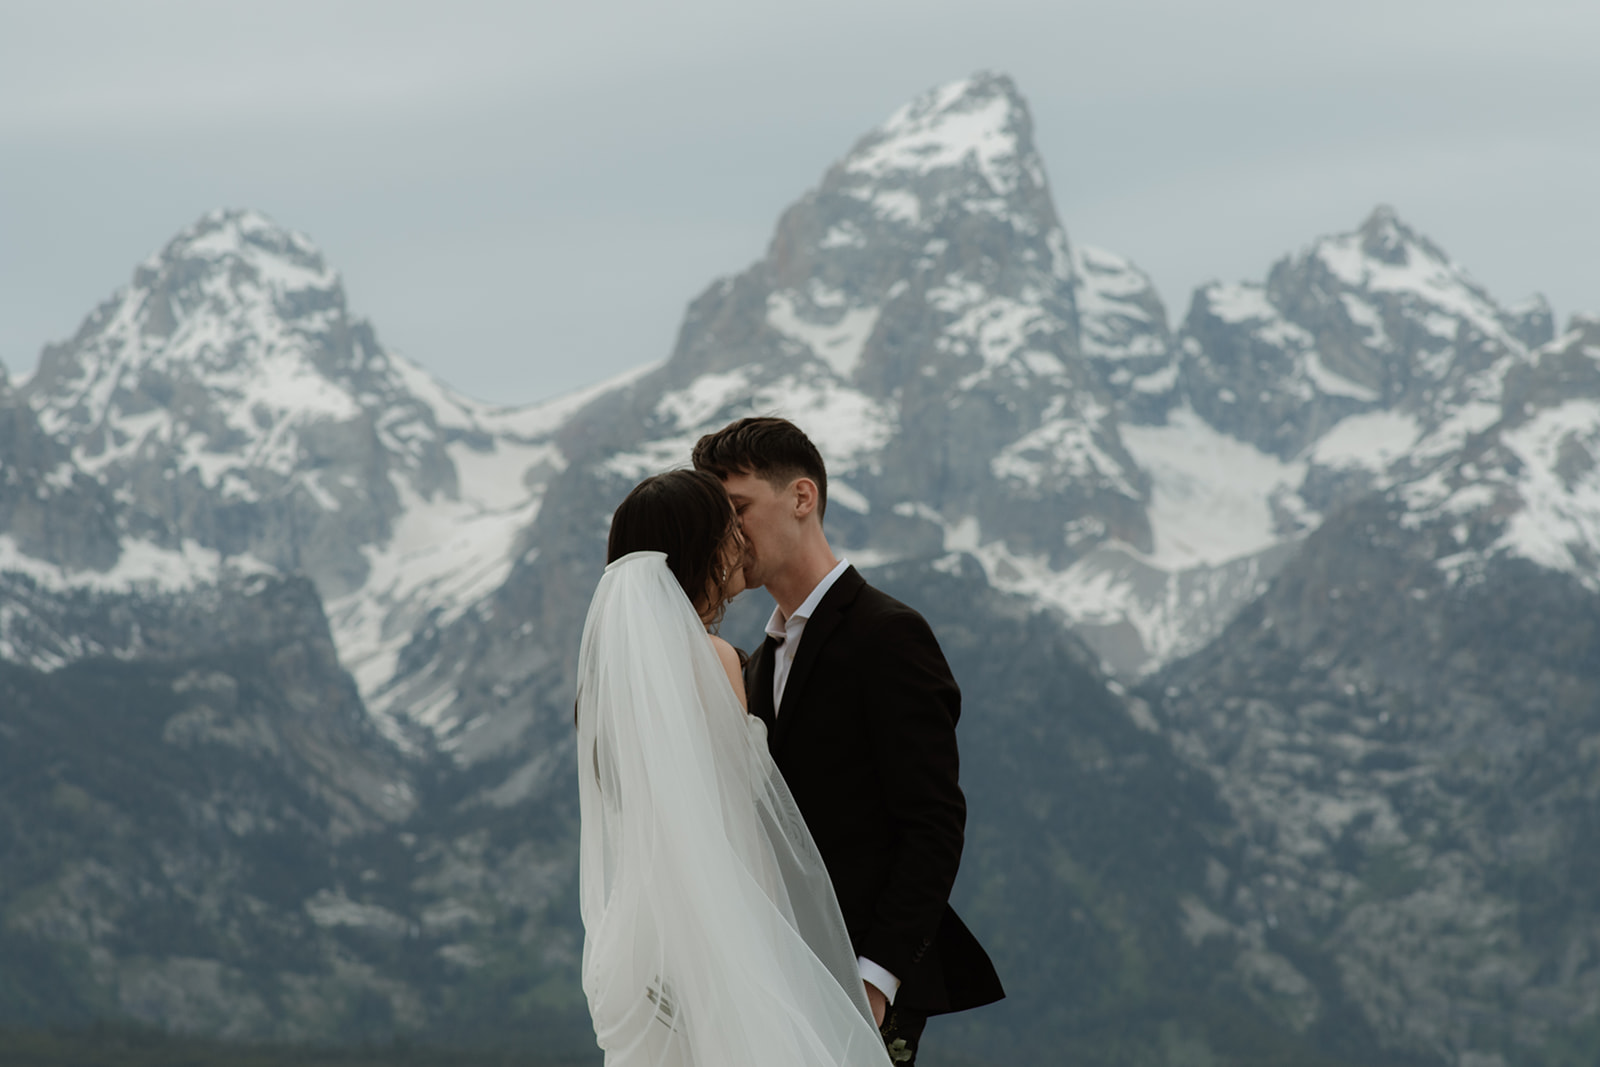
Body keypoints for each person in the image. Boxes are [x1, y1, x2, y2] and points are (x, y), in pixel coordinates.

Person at [693, 418, 1004, 1066]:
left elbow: (934, 823)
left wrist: (874, 983)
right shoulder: (754, 664)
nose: (726, 532)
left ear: (801, 498)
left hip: (861, 998)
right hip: (780, 990)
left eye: (738, 508)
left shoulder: (890, 634)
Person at [574, 469, 892, 1066]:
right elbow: (740, 829)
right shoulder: (712, 660)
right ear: (702, 549)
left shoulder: (605, 688)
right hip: (708, 933)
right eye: (727, 531)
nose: (738, 545)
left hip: (636, 941)